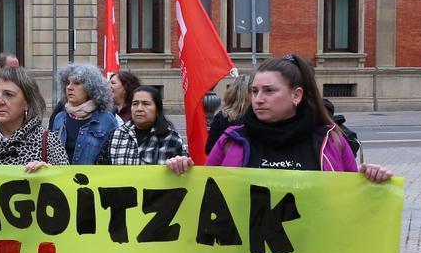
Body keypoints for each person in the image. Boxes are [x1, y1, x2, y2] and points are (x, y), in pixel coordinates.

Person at [166, 55, 392, 182]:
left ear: (296, 95)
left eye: (269, 91)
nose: (258, 99)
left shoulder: (330, 139)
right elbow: (204, 188)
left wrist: (373, 179)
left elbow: (352, 199)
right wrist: (181, 170)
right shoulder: (231, 138)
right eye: (254, 91)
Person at [51, 63, 122, 165]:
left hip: (93, 180)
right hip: (61, 180)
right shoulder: (60, 118)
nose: (69, 87)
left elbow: (114, 158)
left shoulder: (107, 119)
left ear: (91, 88)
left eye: (77, 83)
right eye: (67, 83)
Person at [99, 86, 184, 165]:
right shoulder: (115, 136)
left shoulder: (172, 138)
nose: (139, 109)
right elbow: (102, 170)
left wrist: (179, 164)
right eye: (135, 104)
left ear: (157, 110)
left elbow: (184, 172)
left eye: (146, 104)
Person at [206, 73, 252, 155]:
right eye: (255, 91)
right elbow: (210, 149)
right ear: (245, 94)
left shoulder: (221, 117)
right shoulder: (222, 118)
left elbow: (209, 149)